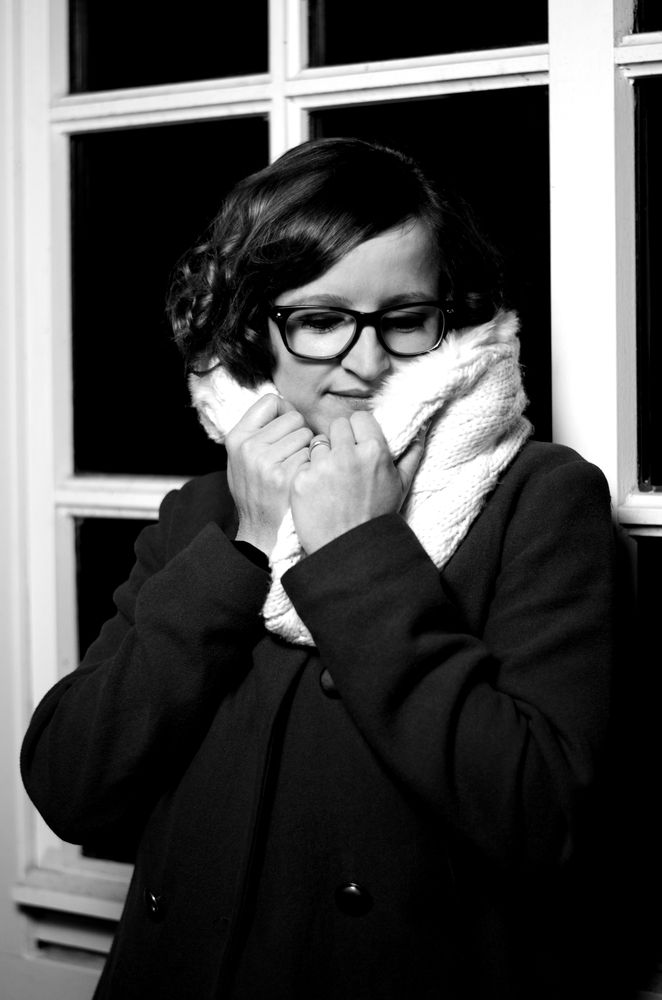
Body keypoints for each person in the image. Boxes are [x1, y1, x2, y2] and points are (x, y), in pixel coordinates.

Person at [21, 137, 624, 999]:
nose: (367, 363)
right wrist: (247, 546)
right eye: (320, 320)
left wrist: (358, 552)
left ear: (451, 319)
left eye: (405, 319)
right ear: (255, 328)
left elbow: (547, 821)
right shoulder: (206, 509)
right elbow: (71, 787)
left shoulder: (537, 498)